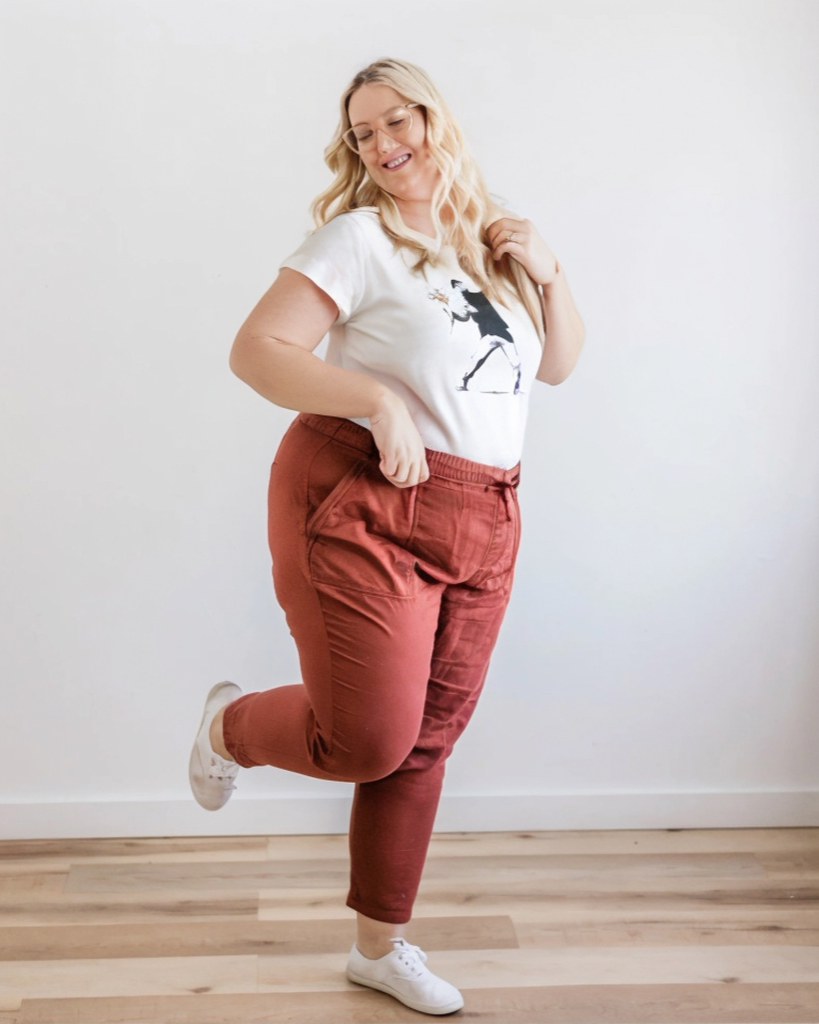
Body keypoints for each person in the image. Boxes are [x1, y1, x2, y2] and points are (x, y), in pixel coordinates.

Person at [189, 57, 584, 1016]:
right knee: (368, 738)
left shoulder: (489, 242)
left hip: (487, 510)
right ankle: (229, 729)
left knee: (425, 742)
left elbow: (560, 366)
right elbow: (256, 350)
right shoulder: (357, 237)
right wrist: (372, 399)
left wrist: (547, 268)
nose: (381, 144)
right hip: (364, 495)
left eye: (395, 119)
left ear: (434, 117)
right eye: (363, 133)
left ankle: (379, 948)